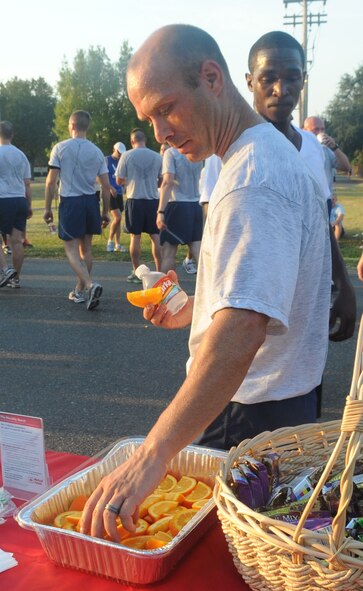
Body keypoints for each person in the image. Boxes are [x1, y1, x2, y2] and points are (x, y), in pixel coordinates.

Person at [80, 24, 331, 540]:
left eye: (166, 108)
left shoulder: (252, 179)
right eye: (148, 119)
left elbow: (241, 333)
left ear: (211, 78)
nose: (161, 133)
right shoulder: (255, 156)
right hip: (276, 403)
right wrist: (199, 306)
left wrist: (152, 454)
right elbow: (258, 299)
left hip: (252, 412)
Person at [244, 31, 356, 343]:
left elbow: (322, 220)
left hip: (307, 320)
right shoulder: (232, 150)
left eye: (292, 77)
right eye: (268, 78)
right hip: (251, 322)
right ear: (249, 81)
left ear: (304, 79)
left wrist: (344, 285)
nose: (281, 89)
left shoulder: (312, 147)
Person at [44, 110, 110, 310]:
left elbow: (51, 181)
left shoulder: (60, 148)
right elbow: (106, 186)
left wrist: (47, 208)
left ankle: (89, 285)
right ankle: (80, 291)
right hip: (91, 201)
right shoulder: (97, 151)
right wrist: (106, 211)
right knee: (86, 249)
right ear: (86, 127)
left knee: (71, 249)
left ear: (71, 125)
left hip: (71, 201)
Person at [115, 128, 162, 283]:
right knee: (156, 237)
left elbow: (119, 180)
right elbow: (162, 180)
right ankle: (160, 271)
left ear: (132, 141)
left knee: (135, 237)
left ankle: (136, 271)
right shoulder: (157, 156)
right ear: (145, 140)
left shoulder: (126, 155)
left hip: (134, 199)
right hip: (153, 200)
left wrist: (128, 179)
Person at [157, 147, 203, 273]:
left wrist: (160, 211)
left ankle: (166, 291)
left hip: (177, 204)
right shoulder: (196, 149)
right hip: (195, 204)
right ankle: (210, 289)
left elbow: (168, 181)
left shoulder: (171, 153)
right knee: (198, 251)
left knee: (168, 252)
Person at [0, 120, 32, 288]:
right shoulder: (21, 155)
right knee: (17, 241)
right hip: (19, 199)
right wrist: (29, 204)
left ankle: (6, 270)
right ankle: (16, 278)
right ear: (11, 134)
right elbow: (27, 183)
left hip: (2, 199)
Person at [303, 116, 351, 211]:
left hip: (324, 201)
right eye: (316, 129)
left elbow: (347, 167)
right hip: (304, 200)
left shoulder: (327, 149)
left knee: (324, 226)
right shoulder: (298, 147)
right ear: (304, 130)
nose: (320, 132)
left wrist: (334, 147)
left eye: (322, 129)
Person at [106, 142, 128, 253]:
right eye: (119, 152)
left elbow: (123, 177)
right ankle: (109, 242)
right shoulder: (107, 160)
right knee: (118, 217)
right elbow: (100, 177)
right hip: (109, 193)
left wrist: (124, 185)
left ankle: (117, 244)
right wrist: (110, 188)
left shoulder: (121, 161)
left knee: (118, 220)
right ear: (114, 149)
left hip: (119, 193)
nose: (120, 155)